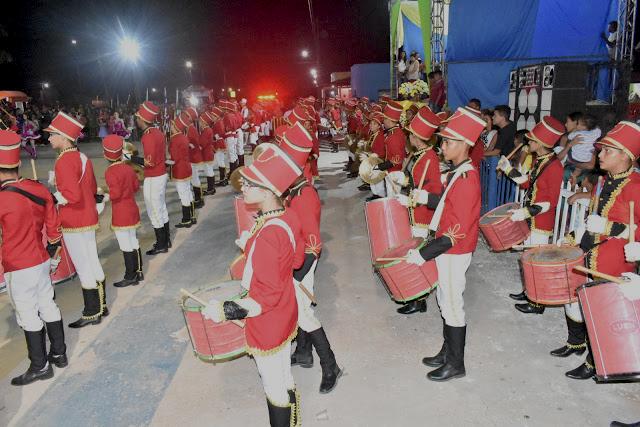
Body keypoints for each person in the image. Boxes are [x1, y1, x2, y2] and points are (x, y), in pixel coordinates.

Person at [203, 143, 305, 427]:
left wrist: (227, 310)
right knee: (285, 376)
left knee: (273, 384)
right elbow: (296, 261)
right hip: (287, 308)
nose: (243, 186)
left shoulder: (269, 234)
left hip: (269, 320)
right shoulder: (287, 216)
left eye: (251, 183)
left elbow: (265, 297)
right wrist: (253, 245)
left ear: (269, 191)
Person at [404, 107, 486, 381]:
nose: (442, 146)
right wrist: (425, 198)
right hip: (448, 248)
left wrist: (423, 254)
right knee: (443, 299)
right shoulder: (458, 171)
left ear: (465, 145)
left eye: (448, 142)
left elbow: (456, 233)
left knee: (452, 304)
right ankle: (446, 350)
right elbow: (448, 206)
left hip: (454, 250)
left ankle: (456, 363)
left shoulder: (466, 178)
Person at [561, 121, 640, 380]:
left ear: (626, 156)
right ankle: (575, 342)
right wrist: (575, 235)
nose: (600, 155)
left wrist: (611, 227)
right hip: (588, 252)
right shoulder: (603, 180)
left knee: (600, 313)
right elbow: (592, 218)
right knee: (573, 301)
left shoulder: (636, 186)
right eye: (601, 150)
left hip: (613, 259)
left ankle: (595, 363)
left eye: (608, 151)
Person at [276, 123, 343, 394]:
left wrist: (296, 273)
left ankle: (331, 366)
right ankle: (303, 353)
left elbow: (313, 243)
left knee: (304, 314)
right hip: (296, 259)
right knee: (299, 311)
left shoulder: (304, 196)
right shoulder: (294, 191)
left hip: (303, 262)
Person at [0, 129, 68, 385]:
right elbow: (53, 230)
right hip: (40, 259)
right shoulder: (36, 189)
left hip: (18, 264)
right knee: (48, 304)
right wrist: (52, 254)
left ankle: (39, 367)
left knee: (27, 314)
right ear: (17, 162)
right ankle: (59, 354)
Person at [496, 117, 566, 312]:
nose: (528, 143)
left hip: (541, 221)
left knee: (536, 260)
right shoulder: (541, 161)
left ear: (542, 144)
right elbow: (528, 183)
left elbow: (550, 202)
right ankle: (529, 291)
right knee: (528, 257)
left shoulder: (554, 166)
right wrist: (508, 169)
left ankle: (537, 303)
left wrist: (526, 211)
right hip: (530, 217)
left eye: (532, 141)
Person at [47, 112, 107, 328]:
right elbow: (90, 189)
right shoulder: (81, 156)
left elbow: (71, 195)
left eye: (52, 134)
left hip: (73, 220)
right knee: (92, 259)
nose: (49, 138)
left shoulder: (63, 161)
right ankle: (102, 304)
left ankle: (92, 312)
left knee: (83, 265)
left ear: (63, 137)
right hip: (87, 216)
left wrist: (52, 196)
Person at [390, 106, 443, 314]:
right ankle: (418, 299)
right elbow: (417, 182)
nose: (408, 137)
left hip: (422, 216)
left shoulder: (429, 157)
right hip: (416, 212)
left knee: (417, 255)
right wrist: (403, 179)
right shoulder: (422, 154)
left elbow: (433, 192)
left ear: (416, 137)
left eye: (410, 134)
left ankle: (419, 299)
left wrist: (410, 200)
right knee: (415, 253)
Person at [102, 135, 143, 288]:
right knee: (133, 240)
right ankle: (138, 271)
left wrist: (105, 196)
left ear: (106, 154)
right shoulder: (128, 168)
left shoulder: (110, 172)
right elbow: (135, 187)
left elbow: (116, 193)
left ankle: (130, 275)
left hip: (121, 211)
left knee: (125, 244)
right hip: (132, 207)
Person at [134, 101, 171, 255]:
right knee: (161, 208)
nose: (136, 120)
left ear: (143, 119)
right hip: (161, 174)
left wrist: (132, 158)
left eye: (138, 118)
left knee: (154, 211)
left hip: (153, 176)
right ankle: (166, 239)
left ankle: (161, 244)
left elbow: (149, 162)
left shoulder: (148, 136)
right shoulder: (158, 132)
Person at [367, 100, 406, 201]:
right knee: (391, 198)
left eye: (384, 119)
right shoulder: (394, 132)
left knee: (393, 200)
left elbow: (396, 159)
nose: (383, 121)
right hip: (392, 171)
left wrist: (379, 167)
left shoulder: (394, 136)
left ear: (389, 120)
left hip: (394, 172)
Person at [169, 112, 196, 228]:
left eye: (172, 125)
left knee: (183, 194)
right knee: (188, 192)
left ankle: (186, 219)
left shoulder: (175, 139)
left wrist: (166, 162)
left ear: (176, 126)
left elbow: (174, 157)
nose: (170, 127)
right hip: (186, 167)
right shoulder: (184, 137)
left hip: (179, 169)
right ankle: (192, 216)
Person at [185, 107, 205, 209]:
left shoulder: (191, 129)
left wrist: (187, 144)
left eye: (186, 115)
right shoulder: (189, 128)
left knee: (195, 178)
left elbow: (195, 143)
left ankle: (199, 199)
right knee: (194, 178)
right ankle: (198, 198)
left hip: (193, 157)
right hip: (191, 156)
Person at [198, 111, 217, 196]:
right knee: (209, 170)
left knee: (208, 170)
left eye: (201, 121)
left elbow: (202, 143)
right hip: (209, 152)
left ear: (205, 122)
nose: (200, 123)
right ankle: (211, 188)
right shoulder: (208, 129)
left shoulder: (206, 131)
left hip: (207, 153)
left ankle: (211, 188)